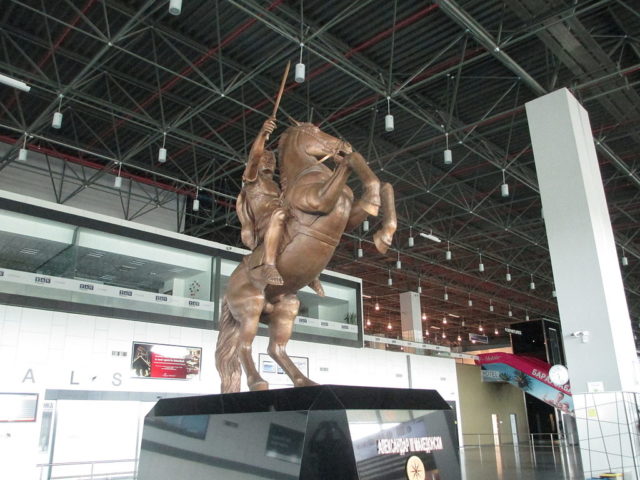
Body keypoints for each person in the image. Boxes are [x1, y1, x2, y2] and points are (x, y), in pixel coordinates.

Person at [237, 117, 323, 295]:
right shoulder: (252, 182)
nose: (269, 161)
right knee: (279, 214)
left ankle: (311, 273)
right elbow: (253, 158)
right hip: (265, 227)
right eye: (265, 158)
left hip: (284, 220)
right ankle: (269, 265)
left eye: (272, 159)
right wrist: (262, 134)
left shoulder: (277, 186)